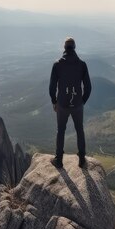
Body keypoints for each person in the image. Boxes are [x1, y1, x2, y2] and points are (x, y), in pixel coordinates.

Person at [48, 37, 92, 168]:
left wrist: (54, 101)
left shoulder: (57, 64)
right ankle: (82, 159)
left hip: (62, 104)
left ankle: (59, 159)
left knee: (60, 130)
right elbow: (88, 87)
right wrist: (82, 101)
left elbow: (52, 87)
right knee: (80, 130)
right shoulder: (82, 64)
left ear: (64, 48)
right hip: (77, 104)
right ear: (74, 47)